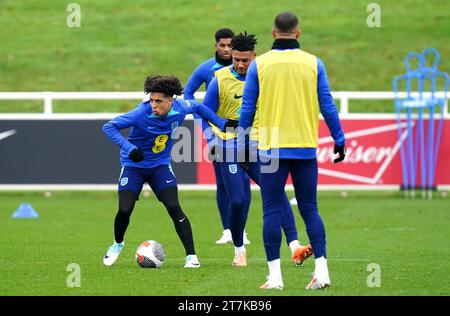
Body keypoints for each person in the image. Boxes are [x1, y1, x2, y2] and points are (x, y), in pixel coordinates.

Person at [239, 12, 346, 290]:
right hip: (305, 147)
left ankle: (275, 278)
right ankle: (322, 271)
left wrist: (241, 140)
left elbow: (248, 108)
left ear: (273, 34)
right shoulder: (313, 63)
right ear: (298, 33)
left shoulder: (259, 65)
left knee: (272, 210)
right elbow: (327, 104)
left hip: (271, 149)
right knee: (310, 208)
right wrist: (339, 138)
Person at [102, 75, 237, 269]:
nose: (153, 105)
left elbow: (198, 107)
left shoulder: (181, 108)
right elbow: (109, 127)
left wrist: (221, 123)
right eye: (151, 100)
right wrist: (128, 147)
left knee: (174, 206)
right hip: (134, 166)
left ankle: (191, 256)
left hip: (160, 166)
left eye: (158, 101)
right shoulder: (141, 113)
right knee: (125, 209)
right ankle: (117, 244)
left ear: (170, 100)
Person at [203, 32, 312, 267]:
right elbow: (204, 112)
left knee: (275, 192)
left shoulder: (266, 77)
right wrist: (211, 138)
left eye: (246, 60)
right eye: (236, 60)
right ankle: (239, 249)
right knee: (239, 200)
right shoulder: (219, 79)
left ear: (255, 57)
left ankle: (295, 246)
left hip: (261, 144)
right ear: (231, 56)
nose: (241, 65)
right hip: (229, 146)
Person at [184, 28, 250, 245]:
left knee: (242, 179)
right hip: (218, 130)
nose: (226, 49)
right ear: (216, 46)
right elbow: (188, 93)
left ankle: (241, 230)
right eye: (222, 45)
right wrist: (201, 119)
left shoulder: (249, 71)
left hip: (242, 130)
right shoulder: (207, 70)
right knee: (222, 181)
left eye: (230, 45)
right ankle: (227, 230)